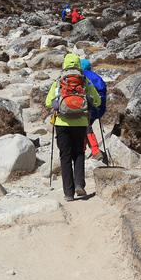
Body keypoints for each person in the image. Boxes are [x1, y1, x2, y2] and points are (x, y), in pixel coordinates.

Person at [46, 53, 101, 201]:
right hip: (81, 122)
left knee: (65, 156)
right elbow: (97, 101)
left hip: (62, 123)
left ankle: (68, 193)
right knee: (79, 153)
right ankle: (79, 184)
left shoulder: (59, 81)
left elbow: (48, 102)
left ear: (64, 64)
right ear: (78, 64)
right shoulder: (84, 81)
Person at [80, 58, 107, 157]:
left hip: (86, 107)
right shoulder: (97, 77)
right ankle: (82, 150)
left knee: (86, 128)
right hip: (99, 108)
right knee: (86, 128)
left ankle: (95, 151)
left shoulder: (81, 76)